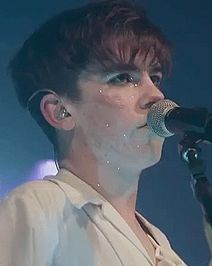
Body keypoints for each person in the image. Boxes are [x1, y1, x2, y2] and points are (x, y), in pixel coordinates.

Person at [0, 1, 187, 265]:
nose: (156, 95)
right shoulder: (38, 208)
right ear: (60, 111)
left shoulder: (161, 244)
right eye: (122, 78)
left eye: (154, 77)